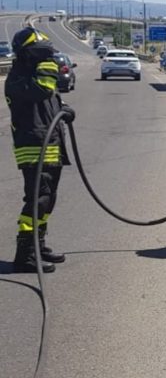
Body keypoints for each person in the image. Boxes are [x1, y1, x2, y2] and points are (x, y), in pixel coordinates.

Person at [5, 27, 75, 273]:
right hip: (34, 147)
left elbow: (48, 99)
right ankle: (24, 254)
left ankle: (38, 244)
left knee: (48, 199)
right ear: (29, 54)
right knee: (37, 200)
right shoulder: (18, 78)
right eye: (42, 55)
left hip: (50, 145)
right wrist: (49, 67)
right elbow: (41, 90)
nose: (48, 59)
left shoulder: (33, 74)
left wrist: (63, 109)